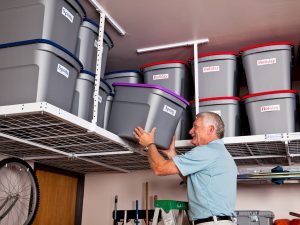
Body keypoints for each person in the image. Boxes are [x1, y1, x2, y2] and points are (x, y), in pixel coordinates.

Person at [134, 112, 237, 225]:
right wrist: (172, 154)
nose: (190, 131)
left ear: (210, 129)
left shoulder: (206, 151)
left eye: (195, 126)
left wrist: (149, 144)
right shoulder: (222, 154)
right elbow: (196, 182)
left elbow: (159, 168)